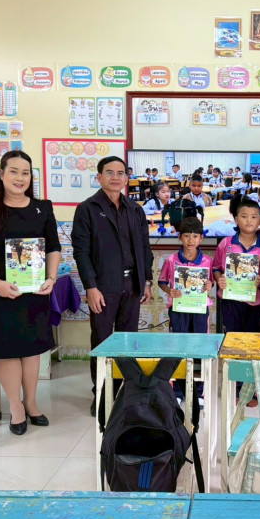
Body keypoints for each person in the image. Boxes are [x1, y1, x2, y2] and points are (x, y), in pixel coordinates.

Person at [0, 151, 61, 436]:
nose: (20, 178)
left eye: (26, 173)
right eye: (14, 171)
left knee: (32, 349)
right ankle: (16, 407)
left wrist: (52, 278)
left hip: (35, 290)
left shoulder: (43, 207)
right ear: (2, 174)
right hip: (2, 291)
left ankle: (31, 403)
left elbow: (54, 247)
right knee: (7, 350)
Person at [71, 155, 154, 416]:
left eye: (121, 173)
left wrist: (147, 280)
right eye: (109, 172)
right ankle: (102, 394)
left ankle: (125, 393)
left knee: (128, 342)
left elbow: (144, 248)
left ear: (127, 178)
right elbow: (81, 252)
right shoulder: (87, 209)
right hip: (103, 286)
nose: (115, 177)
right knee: (103, 341)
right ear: (99, 177)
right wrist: (91, 287)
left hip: (133, 284)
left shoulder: (135, 209)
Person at [213, 197, 260, 337]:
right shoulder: (225, 243)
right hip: (231, 301)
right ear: (236, 219)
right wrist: (219, 279)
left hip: (257, 302)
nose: (249, 220)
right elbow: (216, 268)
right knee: (233, 337)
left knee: (254, 340)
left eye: (254, 217)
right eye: (244, 216)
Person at [158, 216, 213, 333]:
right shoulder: (171, 260)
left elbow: (210, 283)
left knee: (200, 339)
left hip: (199, 307)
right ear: (179, 237)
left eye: (195, 236)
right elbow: (162, 282)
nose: (191, 240)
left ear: (201, 238)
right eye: (186, 236)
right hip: (178, 307)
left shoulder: (207, 261)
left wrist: (209, 286)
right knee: (178, 339)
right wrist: (169, 291)